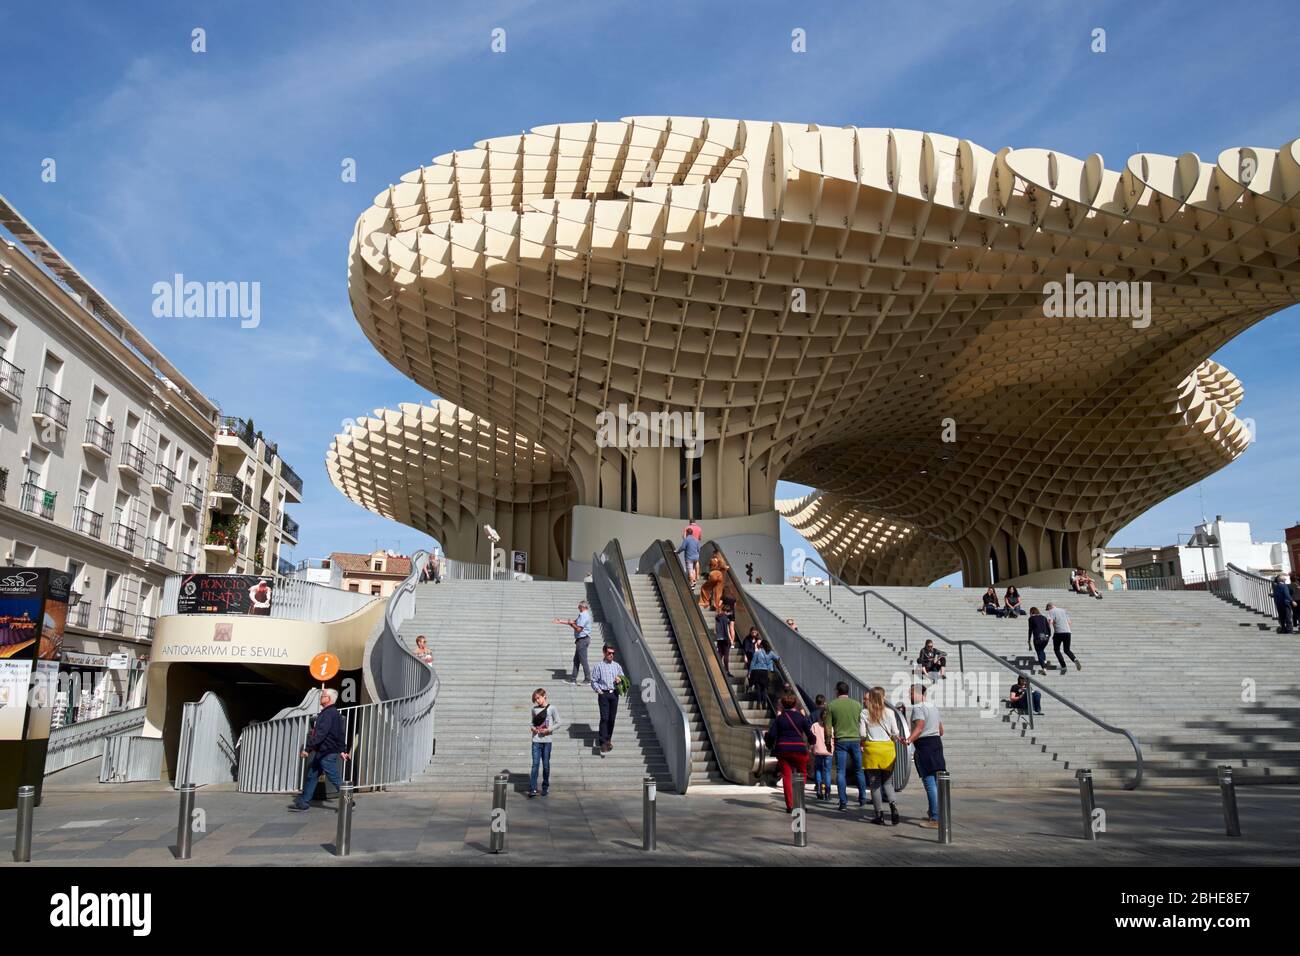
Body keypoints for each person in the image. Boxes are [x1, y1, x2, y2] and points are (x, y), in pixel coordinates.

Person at [289, 688, 349, 812]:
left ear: (329, 699)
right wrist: (342, 750)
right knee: (312, 775)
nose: (321, 697)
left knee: (334, 778)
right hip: (324, 752)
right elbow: (340, 734)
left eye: (323, 695)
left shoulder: (328, 714)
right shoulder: (334, 713)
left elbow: (321, 734)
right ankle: (304, 802)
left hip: (326, 752)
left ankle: (349, 801)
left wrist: (308, 749)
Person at [766, 691, 815, 812]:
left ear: (782, 705)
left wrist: (769, 741)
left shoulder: (779, 719)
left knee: (786, 777)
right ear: (795, 704)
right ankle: (799, 803)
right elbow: (810, 735)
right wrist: (812, 741)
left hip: (783, 750)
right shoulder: (801, 718)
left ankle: (790, 805)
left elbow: (771, 734)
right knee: (802, 774)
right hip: (799, 749)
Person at [904, 683, 945, 828]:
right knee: (935, 781)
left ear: (917, 693)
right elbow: (941, 730)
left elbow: (920, 726)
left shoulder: (918, 708)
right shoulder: (932, 706)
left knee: (929, 783)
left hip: (925, 746)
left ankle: (935, 818)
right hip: (936, 744)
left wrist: (909, 740)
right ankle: (935, 812)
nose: (909, 696)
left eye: (910, 693)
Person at [860, 686, 901, 826]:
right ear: (882, 697)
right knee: (888, 783)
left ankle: (879, 815)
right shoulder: (890, 712)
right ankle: (894, 807)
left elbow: (862, 734)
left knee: (875, 784)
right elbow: (895, 732)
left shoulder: (865, 713)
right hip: (887, 750)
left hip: (872, 750)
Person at [826, 681, 868, 811]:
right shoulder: (857, 705)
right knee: (859, 770)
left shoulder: (831, 705)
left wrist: (828, 742)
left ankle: (843, 802)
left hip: (840, 740)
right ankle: (862, 799)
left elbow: (828, 727)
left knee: (841, 771)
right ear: (848, 691)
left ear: (837, 691)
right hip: (856, 739)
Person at [591, 644, 625, 755]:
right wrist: (599, 691)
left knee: (611, 719)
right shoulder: (599, 666)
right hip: (604, 694)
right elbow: (593, 681)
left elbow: (623, 677)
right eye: (609, 653)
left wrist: (620, 679)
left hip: (614, 694)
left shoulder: (617, 666)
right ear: (604, 652)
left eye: (613, 653)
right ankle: (603, 742)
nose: (611, 655)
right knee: (604, 718)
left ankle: (608, 739)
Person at [528, 688, 560, 797]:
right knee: (535, 765)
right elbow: (531, 723)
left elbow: (559, 722)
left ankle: (545, 787)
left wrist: (549, 729)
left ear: (544, 696)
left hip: (547, 741)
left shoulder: (552, 708)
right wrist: (533, 728)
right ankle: (533, 789)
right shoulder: (534, 709)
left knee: (546, 765)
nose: (537, 700)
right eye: (535, 699)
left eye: (538, 698)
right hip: (536, 740)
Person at [554, 600, 593, 684]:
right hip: (582, 640)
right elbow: (574, 622)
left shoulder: (583, 615)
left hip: (582, 640)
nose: (578, 607)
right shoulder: (584, 615)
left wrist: (571, 624)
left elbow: (578, 629)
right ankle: (573, 679)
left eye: (579, 606)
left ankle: (588, 679)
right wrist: (561, 621)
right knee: (576, 660)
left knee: (583, 660)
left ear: (583, 607)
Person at [809, 695, 834, 801]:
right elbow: (834, 739)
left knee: (818, 770)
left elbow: (811, 738)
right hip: (828, 752)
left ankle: (819, 789)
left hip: (818, 751)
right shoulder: (831, 727)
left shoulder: (814, 725)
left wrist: (811, 748)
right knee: (827, 771)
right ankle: (827, 792)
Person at [1045, 602, 1081, 672]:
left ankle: (1063, 666)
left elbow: (1050, 622)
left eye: (1047, 609)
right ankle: (1075, 659)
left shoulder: (1051, 611)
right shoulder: (1063, 610)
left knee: (1056, 649)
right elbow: (1070, 622)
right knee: (1067, 650)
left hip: (1058, 632)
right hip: (1068, 632)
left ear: (1049, 607)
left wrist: (1048, 632)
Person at [748, 639, 780, 711]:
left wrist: (750, 672)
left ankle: (758, 704)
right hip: (765, 672)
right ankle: (765, 702)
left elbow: (753, 663)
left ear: (761, 645)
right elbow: (777, 658)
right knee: (764, 688)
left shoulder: (757, 652)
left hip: (756, 671)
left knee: (758, 688)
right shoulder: (770, 653)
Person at [1027, 606, 1052, 675]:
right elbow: (1048, 627)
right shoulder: (1044, 617)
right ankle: (1045, 661)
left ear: (1031, 612)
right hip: (1045, 637)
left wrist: (1029, 639)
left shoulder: (1031, 618)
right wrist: (1049, 635)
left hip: (1038, 637)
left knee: (1039, 652)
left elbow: (1030, 630)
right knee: (1042, 650)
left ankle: (1044, 668)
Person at [714, 605, 736, 672]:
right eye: (728, 612)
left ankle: (718, 668)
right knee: (726, 654)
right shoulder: (726, 618)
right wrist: (731, 640)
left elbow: (716, 628)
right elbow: (727, 629)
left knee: (720, 653)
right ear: (727, 611)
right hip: (725, 638)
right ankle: (726, 670)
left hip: (719, 638)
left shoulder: (718, 617)